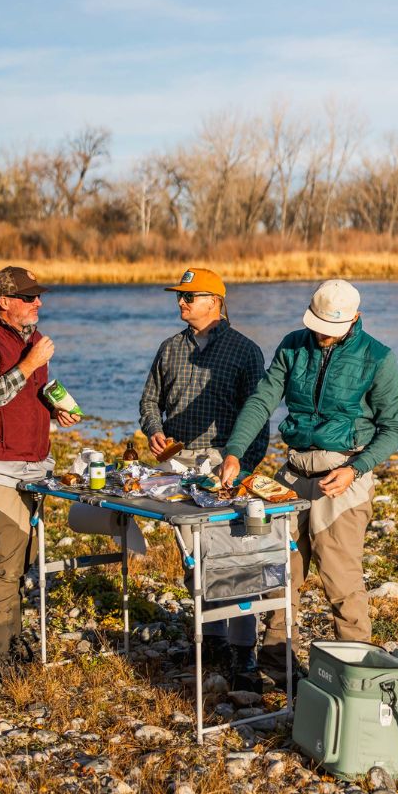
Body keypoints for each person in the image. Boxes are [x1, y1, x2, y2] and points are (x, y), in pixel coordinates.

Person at [221, 279, 398, 686]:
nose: (321, 334)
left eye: (330, 328)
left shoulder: (378, 358)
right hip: (290, 475)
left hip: (342, 479)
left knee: (341, 580)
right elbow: (262, 400)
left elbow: (393, 429)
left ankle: (357, 678)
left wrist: (356, 469)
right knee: (278, 570)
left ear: (355, 319)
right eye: (317, 324)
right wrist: (234, 450)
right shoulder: (292, 345)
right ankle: (274, 665)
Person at [139, 267, 269, 676]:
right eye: (180, 296)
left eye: (189, 296)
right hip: (176, 466)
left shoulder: (245, 351)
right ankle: (209, 643)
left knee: (233, 556)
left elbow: (259, 417)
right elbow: (148, 401)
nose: (181, 302)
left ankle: (243, 650)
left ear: (214, 301)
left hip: (223, 465)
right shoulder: (168, 348)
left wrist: (244, 469)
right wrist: (155, 432)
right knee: (194, 558)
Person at [0, 266, 80, 681]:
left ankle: (14, 638)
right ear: (4, 302)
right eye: (29, 298)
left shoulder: (30, 342)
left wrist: (53, 406)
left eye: (39, 296)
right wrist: (30, 363)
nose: (38, 303)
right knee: (3, 565)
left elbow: (28, 391)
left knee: (24, 561)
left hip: (33, 470)